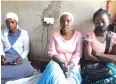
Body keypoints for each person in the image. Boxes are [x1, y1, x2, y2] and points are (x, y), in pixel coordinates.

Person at [37, 12, 82, 84]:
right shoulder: (54, 33)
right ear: (60, 23)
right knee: (56, 79)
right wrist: (61, 62)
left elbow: (78, 54)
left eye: (68, 21)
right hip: (57, 62)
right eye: (62, 21)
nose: (65, 23)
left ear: (72, 22)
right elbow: (52, 52)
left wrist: (69, 66)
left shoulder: (78, 35)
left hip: (72, 65)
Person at [83, 8, 116, 84]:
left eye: (103, 22)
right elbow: (88, 56)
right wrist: (107, 58)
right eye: (97, 22)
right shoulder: (89, 36)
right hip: (93, 67)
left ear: (109, 21)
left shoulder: (113, 37)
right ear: (94, 23)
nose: (100, 24)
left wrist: (98, 54)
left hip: (110, 66)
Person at [1, 12, 34, 84]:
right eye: (7, 22)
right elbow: (0, 48)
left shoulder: (24, 33)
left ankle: (4, 76)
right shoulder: (2, 33)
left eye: (12, 22)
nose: (10, 25)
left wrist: (21, 58)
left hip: (19, 58)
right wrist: (2, 56)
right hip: (6, 57)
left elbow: (26, 50)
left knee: (30, 70)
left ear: (16, 22)